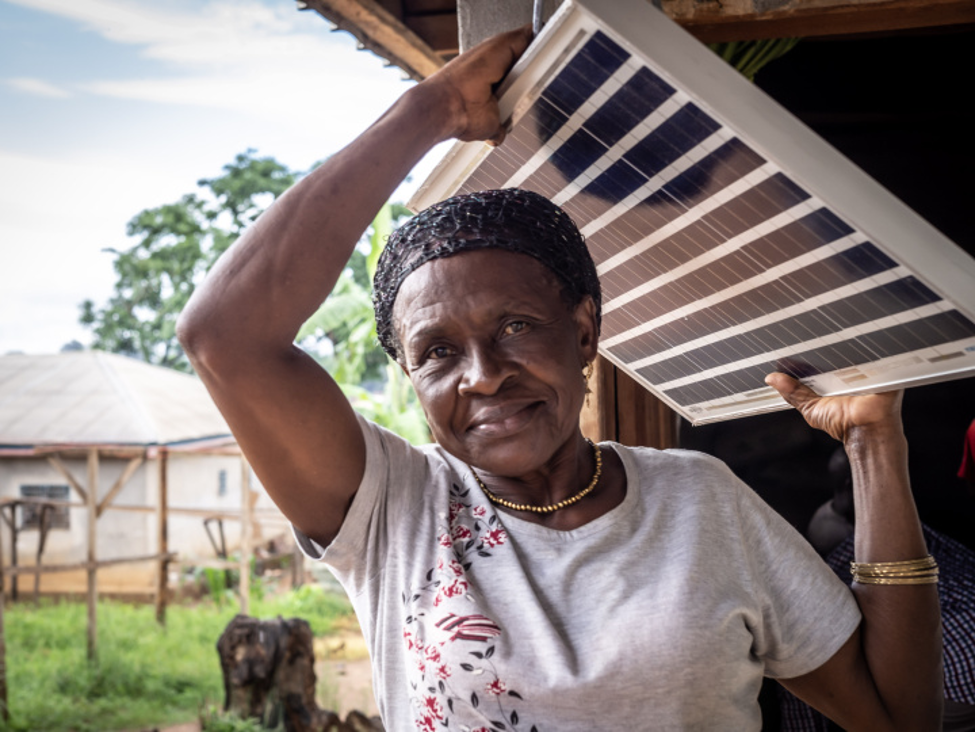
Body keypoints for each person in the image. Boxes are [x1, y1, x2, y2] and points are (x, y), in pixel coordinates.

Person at [177, 26, 942, 731]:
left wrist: (875, 443)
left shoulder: (700, 503)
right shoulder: (391, 509)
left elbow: (891, 717)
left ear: (582, 333)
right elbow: (224, 335)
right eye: (437, 352)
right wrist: (431, 107)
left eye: (514, 327)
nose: (483, 377)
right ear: (408, 372)